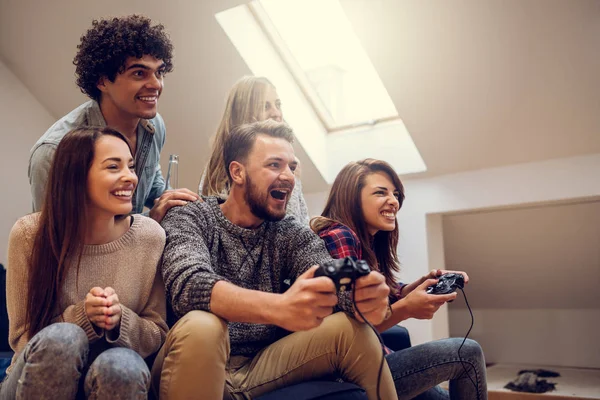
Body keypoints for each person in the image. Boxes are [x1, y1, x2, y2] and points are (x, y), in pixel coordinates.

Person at [153, 120, 396, 399]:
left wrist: (361, 296)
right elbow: (189, 285)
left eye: (291, 167)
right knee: (204, 325)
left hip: (260, 367)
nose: (289, 176)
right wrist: (279, 307)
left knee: (354, 330)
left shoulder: (288, 231)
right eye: (274, 165)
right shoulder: (191, 215)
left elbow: (325, 272)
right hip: (192, 362)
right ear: (238, 172)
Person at [4, 127, 168, 399]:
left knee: (123, 366)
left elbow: (158, 333)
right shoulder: (29, 235)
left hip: (112, 380)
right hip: (33, 380)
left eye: (131, 166)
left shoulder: (150, 237)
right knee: (63, 339)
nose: (130, 177)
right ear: (77, 177)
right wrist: (82, 318)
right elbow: (22, 339)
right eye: (113, 167)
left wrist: (119, 321)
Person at [312, 159, 488, 400]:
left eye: (395, 194)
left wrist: (413, 287)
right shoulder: (339, 237)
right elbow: (349, 330)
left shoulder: (365, 240)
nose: (394, 201)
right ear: (352, 198)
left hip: (377, 360)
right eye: (380, 193)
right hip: (354, 372)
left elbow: (374, 290)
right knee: (467, 352)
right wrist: (405, 309)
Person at [28, 15, 198, 222]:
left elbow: (151, 181)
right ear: (102, 81)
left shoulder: (153, 125)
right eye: (139, 73)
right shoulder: (53, 151)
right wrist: (149, 220)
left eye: (159, 72)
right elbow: (57, 239)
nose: (156, 85)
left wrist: (176, 200)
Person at [200, 76, 309, 223]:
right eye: (266, 106)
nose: (276, 113)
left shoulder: (291, 165)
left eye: (278, 105)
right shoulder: (214, 170)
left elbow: (298, 227)